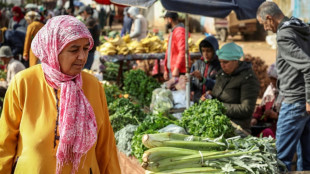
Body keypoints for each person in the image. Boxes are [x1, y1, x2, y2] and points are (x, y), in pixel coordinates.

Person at [0, 15, 121, 174]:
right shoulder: (23, 83)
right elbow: (5, 144)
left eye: (86, 49)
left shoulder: (93, 86)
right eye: (74, 49)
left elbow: (106, 147)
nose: (82, 57)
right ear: (53, 49)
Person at [257, 1, 310, 171]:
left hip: (295, 101)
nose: (265, 28)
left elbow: (307, 66)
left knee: (281, 157)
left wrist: (309, 99)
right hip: (303, 101)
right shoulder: (299, 27)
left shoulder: (284, 35)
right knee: (307, 156)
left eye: (263, 24)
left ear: (269, 18)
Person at [201, 42, 260, 135]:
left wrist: (219, 107)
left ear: (235, 60)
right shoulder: (222, 74)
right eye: (220, 62)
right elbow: (218, 96)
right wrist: (210, 95)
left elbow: (246, 109)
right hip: (217, 122)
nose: (222, 65)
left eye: (225, 62)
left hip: (237, 128)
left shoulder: (248, 79)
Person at [251, 63, 279, 138]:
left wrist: (276, 116)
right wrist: (255, 118)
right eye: (271, 79)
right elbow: (261, 108)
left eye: (275, 80)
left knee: (267, 133)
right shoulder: (270, 90)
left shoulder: (288, 93)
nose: (273, 82)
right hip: (267, 125)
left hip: (279, 128)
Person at [190, 35, 221, 103]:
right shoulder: (196, 65)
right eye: (203, 51)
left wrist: (203, 79)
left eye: (208, 51)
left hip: (213, 103)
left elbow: (219, 85)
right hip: (198, 101)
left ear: (215, 51)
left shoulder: (220, 66)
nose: (205, 54)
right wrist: (188, 82)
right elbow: (192, 84)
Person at [163, 11, 189, 81]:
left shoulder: (179, 31)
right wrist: (166, 69)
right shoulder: (173, 31)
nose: (165, 22)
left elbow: (182, 51)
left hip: (179, 71)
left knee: (179, 91)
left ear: (170, 19)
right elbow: (169, 52)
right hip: (173, 70)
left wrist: (177, 68)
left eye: (165, 20)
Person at [79, 6, 100, 70]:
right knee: (87, 68)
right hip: (92, 49)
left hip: (89, 50)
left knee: (85, 69)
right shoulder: (94, 20)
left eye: (81, 14)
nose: (81, 16)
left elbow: (87, 38)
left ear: (85, 12)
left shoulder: (89, 21)